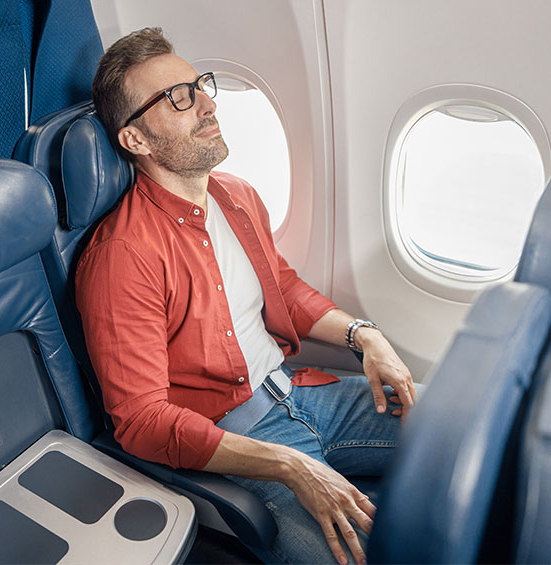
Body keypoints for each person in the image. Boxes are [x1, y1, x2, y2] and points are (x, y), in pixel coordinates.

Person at [76, 27, 420, 565]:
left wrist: (364, 335)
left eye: (200, 85)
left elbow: (280, 287)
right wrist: (287, 464)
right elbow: (141, 420)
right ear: (136, 140)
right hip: (241, 442)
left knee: (468, 430)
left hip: (302, 394)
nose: (208, 104)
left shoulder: (235, 195)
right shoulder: (124, 255)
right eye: (179, 98)